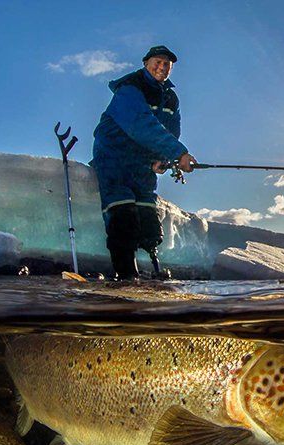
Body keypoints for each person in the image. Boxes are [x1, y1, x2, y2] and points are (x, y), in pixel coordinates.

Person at [90, 45, 197, 279]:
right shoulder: (130, 89)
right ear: (145, 63)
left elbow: (170, 130)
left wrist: (162, 158)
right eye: (157, 62)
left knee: (149, 222)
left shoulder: (170, 98)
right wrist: (179, 154)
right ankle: (127, 278)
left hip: (142, 166)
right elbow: (141, 125)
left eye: (166, 64)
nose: (162, 67)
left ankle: (155, 275)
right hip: (114, 160)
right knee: (123, 216)